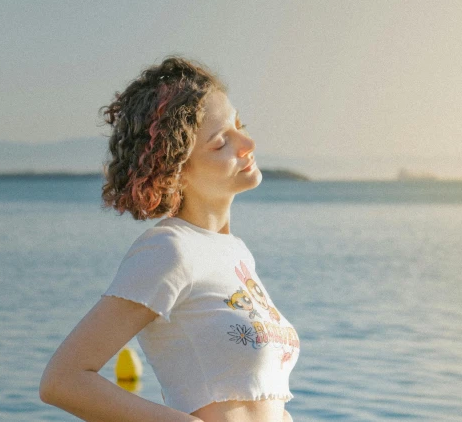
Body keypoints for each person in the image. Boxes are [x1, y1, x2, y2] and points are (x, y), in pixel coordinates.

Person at [40, 56, 300, 421]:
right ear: (175, 170)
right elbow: (62, 381)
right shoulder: (168, 250)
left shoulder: (235, 254)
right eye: (221, 142)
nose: (247, 142)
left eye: (240, 125)